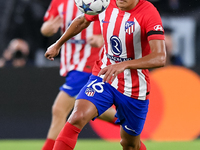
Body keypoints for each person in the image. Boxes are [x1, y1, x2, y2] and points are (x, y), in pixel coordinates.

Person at [45, 0, 166, 149]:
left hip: (134, 87)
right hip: (104, 75)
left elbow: (160, 57)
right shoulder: (104, 3)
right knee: (77, 117)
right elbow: (83, 20)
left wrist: (124, 64)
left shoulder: (148, 12)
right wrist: (58, 44)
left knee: (129, 144)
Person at [40, 0, 117, 150]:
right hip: (71, 63)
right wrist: (49, 28)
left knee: (59, 109)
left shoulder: (102, 2)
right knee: (92, 107)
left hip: (89, 63)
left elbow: (116, 24)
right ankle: (127, 120)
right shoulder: (59, 2)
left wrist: (102, 38)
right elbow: (45, 28)